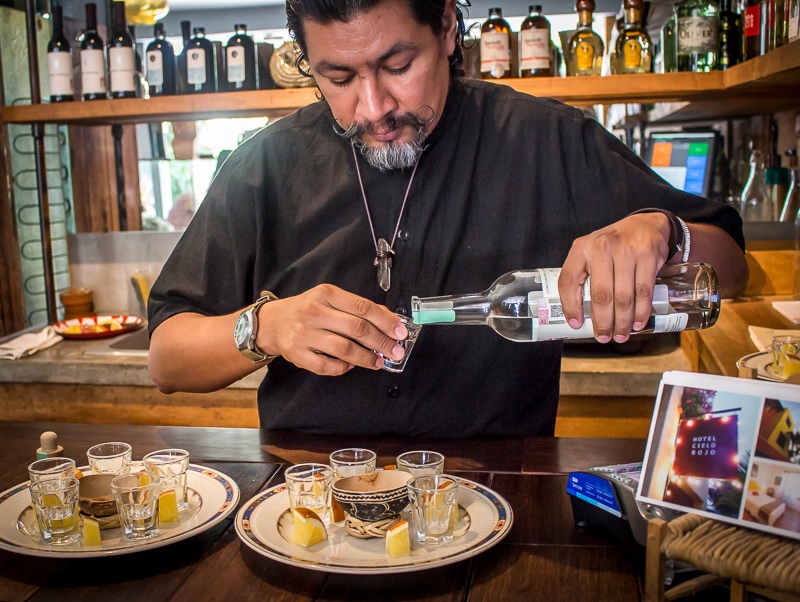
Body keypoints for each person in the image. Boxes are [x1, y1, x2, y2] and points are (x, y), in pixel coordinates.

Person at [147, 0, 748, 438]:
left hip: (504, 499)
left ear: (447, 28)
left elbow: (731, 267)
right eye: (338, 78)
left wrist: (666, 231)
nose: (374, 107)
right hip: (307, 507)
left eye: (398, 64)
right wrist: (266, 326)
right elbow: (166, 357)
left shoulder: (544, 140)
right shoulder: (265, 164)